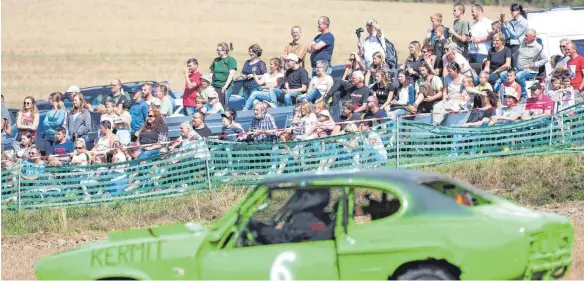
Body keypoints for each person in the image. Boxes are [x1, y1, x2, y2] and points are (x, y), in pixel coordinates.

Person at [210, 42, 238, 106]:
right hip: (215, 86)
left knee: (223, 106)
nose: (218, 52)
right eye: (217, 50)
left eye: (219, 50)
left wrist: (225, 86)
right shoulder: (216, 60)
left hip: (224, 87)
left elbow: (231, 74)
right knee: (214, 105)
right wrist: (211, 84)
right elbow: (211, 73)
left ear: (225, 51)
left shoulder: (231, 60)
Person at [501, 3, 528, 69]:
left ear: (518, 11)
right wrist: (503, 24)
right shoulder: (511, 22)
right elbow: (506, 34)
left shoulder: (523, 22)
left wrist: (507, 24)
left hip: (517, 46)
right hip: (509, 45)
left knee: (515, 66)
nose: (511, 12)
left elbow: (515, 35)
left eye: (512, 10)